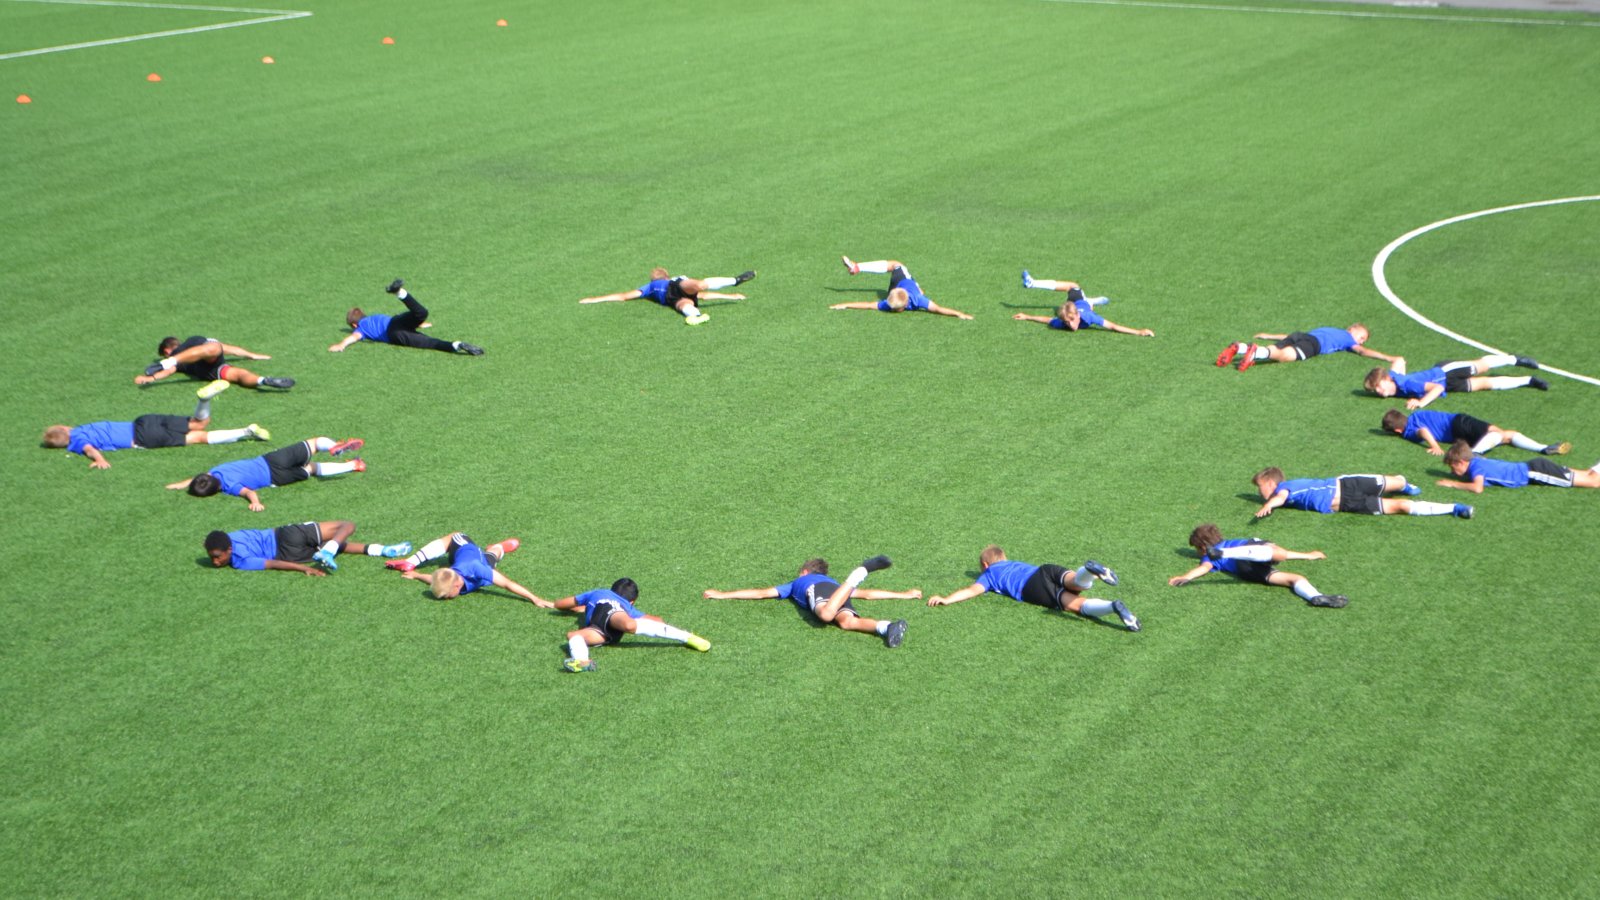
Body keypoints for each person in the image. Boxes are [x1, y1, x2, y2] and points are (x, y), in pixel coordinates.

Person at [42, 380, 267, 469]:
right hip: (143, 421)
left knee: (200, 437)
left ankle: (247, 431)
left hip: (143, 438)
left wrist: (99, 460)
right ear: (65, 428)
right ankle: (204, 400)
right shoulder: (81, 429)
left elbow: (89, 449)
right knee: (200, 423)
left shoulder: (77, 440)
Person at [702, 555, 910, 647]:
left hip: (819, 592)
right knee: (847, 622)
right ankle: (887, 627)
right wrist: (904, 594)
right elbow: (866, 594)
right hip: (835, 593)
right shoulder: (833, 583)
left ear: (804, 572)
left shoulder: (798, 583)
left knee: (826, 615)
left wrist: (722, 594)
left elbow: (761, 593)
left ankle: (861, 571)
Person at [925, 546, 1139, 631]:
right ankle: (1090, 571)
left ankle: (1113, 607)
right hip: (1044, 570)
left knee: (1075, 604)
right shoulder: (1012, 563)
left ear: (985, 565)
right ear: (1004, 557)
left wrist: (946, 599)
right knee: (1075, 581)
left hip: (1031, 587)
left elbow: (972, 591)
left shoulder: (989, 574)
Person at [165, 436, 365, 511]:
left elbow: (248, 492)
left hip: (277, 478)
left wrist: (256, 503)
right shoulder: (217, 471)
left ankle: (354, 465)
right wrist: (181, 483)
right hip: (271, 460)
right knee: (314, 443)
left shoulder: (228, 487)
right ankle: (333, 446)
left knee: (311, 468)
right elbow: (198, 478)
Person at [1168, 524, 1346, 608]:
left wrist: (1186, 577)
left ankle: (1315, 597)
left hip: (1247, 571)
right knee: (1278, 553)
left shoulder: (1210, 558)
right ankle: (1229, 553)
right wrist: (1308, 555)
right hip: (1249, 550)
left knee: (1294, 579)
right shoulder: (1231, 543)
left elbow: (1204, 568)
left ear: (1202, 547)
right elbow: (1283, 554)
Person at [555, 578, 711, 673]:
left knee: (628, 625)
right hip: (603, 630)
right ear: (632, 601)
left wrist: (572, 606)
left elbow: (560, 604)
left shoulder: (598, 593)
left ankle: (688, 638)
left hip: (603, 620)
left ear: (612, 589)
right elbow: (656, 620)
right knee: (573, 636)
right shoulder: (627, 606)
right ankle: (582, 662)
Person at [329, 279, 484, 355]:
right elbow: (397, 321)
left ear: (354, 325)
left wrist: (341, 345)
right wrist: (419, 323)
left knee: (430, 343)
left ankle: (457, 345)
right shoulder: (375, 317)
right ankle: (400, 293)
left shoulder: (361, 328)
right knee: (421, 313)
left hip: (394, 334)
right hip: (396, 321)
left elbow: (353, 337)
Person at [386, 532, 549, 604]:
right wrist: (415, 575)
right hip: (465, 558)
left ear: (457, 585)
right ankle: (498, 547)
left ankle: (412, 560)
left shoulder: (477, 569)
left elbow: (507, 584)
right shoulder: (449, 580)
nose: (445, 598)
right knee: (492, 555)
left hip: (464, 546)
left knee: (455, 536)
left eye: (446, 595)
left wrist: (534, 598)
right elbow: (431, 578)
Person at [1251, 467, 1472, 519]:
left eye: (1259, 486)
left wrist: (1268, 505)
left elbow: (1280, 497)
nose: (1259, 492)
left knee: (1395, 482)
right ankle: (1454, 508)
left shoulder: (1285, 488)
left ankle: (1403, 483)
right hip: (1348, 504)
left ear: (1270, 483)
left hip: (1348, 485)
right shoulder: (1285, 496)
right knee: (1402, 507)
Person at [204, 521, 412, 575]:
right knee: (346, 526)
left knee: (337, 545)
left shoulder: (238, 559)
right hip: (287, 535)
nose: (215, 561)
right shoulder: (235, 544)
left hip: (290, 554)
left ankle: (383, 550)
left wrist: (305, 567)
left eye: (216, 556)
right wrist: (304, 569)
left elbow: (272, 562)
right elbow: (273, 564)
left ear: (228, 548)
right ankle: (329, 550)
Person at [579, 267, 755, 325]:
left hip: (673, 293)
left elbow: (623, 296)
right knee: (686, 302)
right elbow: (703, 295)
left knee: (693, 292)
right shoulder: (651, 286)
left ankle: (735, 280)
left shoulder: (654, 286)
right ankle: (696, 316)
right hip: (674, 294)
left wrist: (731, 296)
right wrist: (730, 297)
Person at [1363, 354, 1547, 409]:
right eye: (1374, 390)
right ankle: (1528, 380)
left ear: (1386, 379)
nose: (1378, 391)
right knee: (1484, 384)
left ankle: (1514, 359)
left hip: (1447, 372)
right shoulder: (1395, 379)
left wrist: (1421, 402)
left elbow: (1436, 388)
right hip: (1449, 385)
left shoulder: (1406, 384)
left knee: (1481, 366)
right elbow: (1400, 361)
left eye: (1378, 386)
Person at [1380, 408, 1569, 457]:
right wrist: (1435, 446)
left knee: (1503, 437)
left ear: (1396, 429)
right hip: (1458, 422)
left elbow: (1422, 431)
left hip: (1457, 432)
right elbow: (1422, 430)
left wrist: (1435, 444)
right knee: (1501, 433)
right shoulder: (1413, 421)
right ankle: (1542, 448)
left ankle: (1543, 448)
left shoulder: (1407, 430)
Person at [1014, 271, 1153, 337]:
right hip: (1077, 304)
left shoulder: (1089, 317)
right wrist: (1027, 316)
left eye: (1071, 320)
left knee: (1073, 286)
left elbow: (1113, 326)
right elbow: (1047, 320)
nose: (1070, 325)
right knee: (1087, 303)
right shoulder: (1063, 322)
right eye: (1067, 322)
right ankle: (1091, 301)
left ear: (1077, 315)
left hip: (1079, 300)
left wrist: (1139, 332)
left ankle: (1033, 283)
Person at [1215, 323, 1400, 372]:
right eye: (1362, 337)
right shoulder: (1347, 339)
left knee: (1276, 349)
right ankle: (1254, 352)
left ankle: (1240, 347)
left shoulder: (1328, 329)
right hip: (1313, 345)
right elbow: (1363, 352)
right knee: (1285, 356)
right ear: (1351, 330)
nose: (1361, 342)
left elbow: (1292, 336)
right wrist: (1387, 358)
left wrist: (1270, 335)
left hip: (1302, 336)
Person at [831, 257, 973, 319]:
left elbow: (868, 305)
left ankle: (858, 267)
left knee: (896, 266)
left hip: (899, 283)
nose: (891, 309)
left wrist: (958, 314)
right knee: (897, 265)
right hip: (902, 282)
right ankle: (857, 267)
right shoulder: (917, 300)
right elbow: (938, 309)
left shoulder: (910, 300)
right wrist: (845, 305)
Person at [1437, 440, 1600, 493]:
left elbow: (1477, 488)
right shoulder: (1477, 461)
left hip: (1535, 472)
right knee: (1587, 474)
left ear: (1461, 462)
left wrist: (1452, 483)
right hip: (1534, 466)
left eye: (1453, 468)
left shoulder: (1475, 468)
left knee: (1593, 482)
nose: (1453, 472)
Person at [135, 335, 293, 389]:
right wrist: (252, 355)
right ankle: (261, 380)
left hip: (206, 371)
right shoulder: (190, 342)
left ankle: (262, 380)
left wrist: (151, 378)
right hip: (211, 362)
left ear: (166, 351)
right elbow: (229, 349)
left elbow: (169, 371)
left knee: (237, 374)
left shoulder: (180, 355)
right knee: (215, 348)